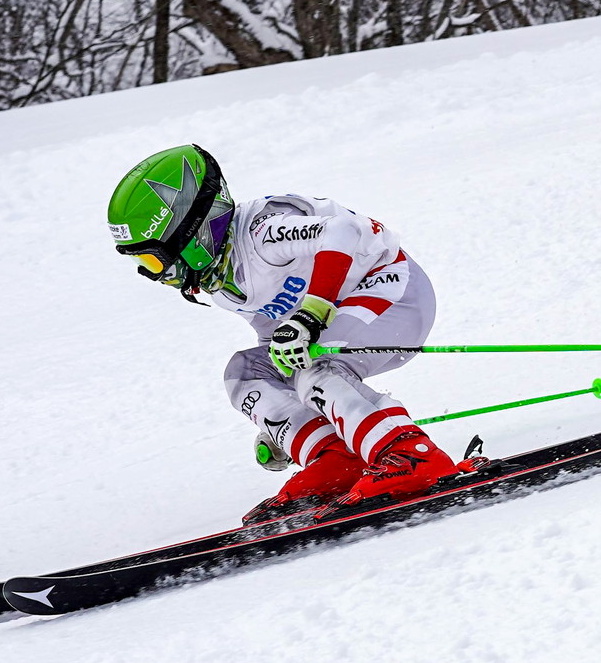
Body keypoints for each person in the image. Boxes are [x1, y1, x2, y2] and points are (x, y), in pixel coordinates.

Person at [107, 144, 460, 517]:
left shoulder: (262, 233)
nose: (161, 276)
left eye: (154, 259)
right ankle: (335, 462)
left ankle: (410, 456)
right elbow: (276, 336)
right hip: (343, 319)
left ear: (191, 232)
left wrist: (312, 313)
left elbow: (342, 232)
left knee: (316, 368)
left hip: (394, 292)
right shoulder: (220, 281)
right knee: (245, 372)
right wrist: (289, 424)